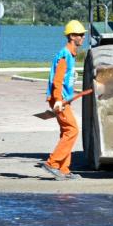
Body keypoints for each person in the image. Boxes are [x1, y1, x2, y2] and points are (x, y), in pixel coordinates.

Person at [39, 20, 86, 181]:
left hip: (64, 100)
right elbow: (57, 81)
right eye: (80, 35)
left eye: (83, 34)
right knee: (72, 130)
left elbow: (66, 81)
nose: (83, 37)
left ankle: (64, 169)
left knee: (66, 132)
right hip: (59, 101)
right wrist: (58, 99)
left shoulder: (71, 55)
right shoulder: (64, 55)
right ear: (72, 36)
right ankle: (52, 163)